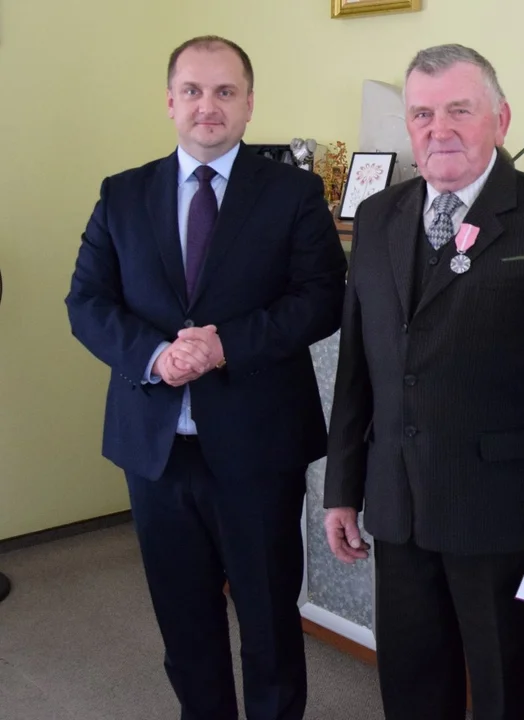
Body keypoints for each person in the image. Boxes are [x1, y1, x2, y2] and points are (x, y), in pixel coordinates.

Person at [322, 44, 524, 720]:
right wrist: (342, 488)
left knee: (505, 693)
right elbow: (357, 370)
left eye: (459, 109)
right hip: (399, 508)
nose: (438, 128)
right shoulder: (377, 217)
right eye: (421, 113)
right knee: (412, 688)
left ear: (500, 119)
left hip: (503, 515)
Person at [65, 35, 346, 720]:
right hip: (156, 452)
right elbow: (87, 302)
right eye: (192, 90)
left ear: (250, 104)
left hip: (258, 449)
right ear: (169, 102)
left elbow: (320, 296)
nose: (208, 106)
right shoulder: (123, 194)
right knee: (184, 623)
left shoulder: (294, 194)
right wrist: (156, 356)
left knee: (270, 620)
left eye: (225, 92)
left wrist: (226, 345)